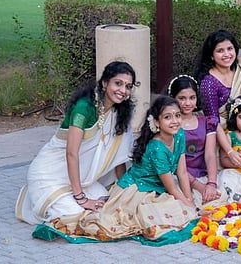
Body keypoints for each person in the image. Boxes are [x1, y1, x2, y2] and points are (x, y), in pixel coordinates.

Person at [48, 95, 199, 242]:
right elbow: (172, 189)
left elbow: (182, 172)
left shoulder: (179, 134)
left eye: (177, 115)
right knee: (161, 216)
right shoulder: (157, 148)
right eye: (167, 117)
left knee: (188, 205)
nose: (174, 121)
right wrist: (190, 207)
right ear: (156, 123)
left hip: (158, 186)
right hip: (138, 190)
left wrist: (189, 200)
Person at [16, 61, 137, 224]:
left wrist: (123, 191)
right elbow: (71, 153)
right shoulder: (84, 108)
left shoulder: (120, 112)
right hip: (50, 174)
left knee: (107, 204)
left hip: (83, 180)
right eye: (118, 83)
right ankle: (44, 196)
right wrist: (81, 199)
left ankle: (74, 196)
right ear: (105, 82)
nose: (123, 91)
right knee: (77, 215)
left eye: (128, 86)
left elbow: (118, 157)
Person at [194, 29, 241, 168]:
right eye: (220, 51)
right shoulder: (209, 82)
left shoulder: (240, 71)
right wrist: (230, 152)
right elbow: (213, 121)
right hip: (219, 131)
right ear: (211, 55)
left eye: (230, 48)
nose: (227, 54)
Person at [167, 74, 228, 207]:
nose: (188, 103)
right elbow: (175, 164)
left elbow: (210, 155)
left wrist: (211, 183)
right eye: (182, 98)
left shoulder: (206, 122)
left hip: (203, 175)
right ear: (172, 99)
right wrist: (200, 187)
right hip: (179, 177)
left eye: (192, 98)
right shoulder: (170, 125)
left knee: (219, 200)